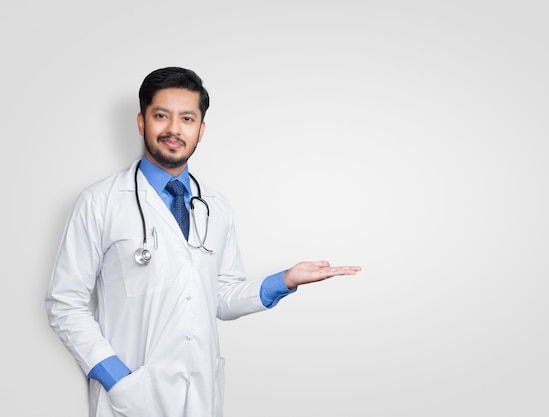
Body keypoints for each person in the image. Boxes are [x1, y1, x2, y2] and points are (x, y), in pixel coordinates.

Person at [45, 66, 361, 417]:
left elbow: (221, 298)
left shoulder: (216, 206)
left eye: (187, 119)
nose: (173, 130)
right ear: (141, 122)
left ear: (201, 129)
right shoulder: (100, 201)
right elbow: (65, 302)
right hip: (131, 398)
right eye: (161, 116)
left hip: (201, 397)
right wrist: (116, 377)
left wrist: (284, 281)